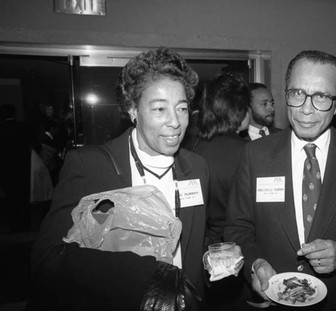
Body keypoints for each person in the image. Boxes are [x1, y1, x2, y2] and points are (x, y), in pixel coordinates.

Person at [30, 47, 210, 311]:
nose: (175, 122)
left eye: (182, 108)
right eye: (160, 109)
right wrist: (147, 276)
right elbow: (47, 259)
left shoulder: (197, 167)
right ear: (132, 110)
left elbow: (193, 242)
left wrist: (212, 259)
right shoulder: (91, 166)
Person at [224, 50, 336, 311]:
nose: (305, 108)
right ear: (286, 95)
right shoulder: (254, 155)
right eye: (297, 93)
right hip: (272, 301)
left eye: (321, 97)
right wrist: (255, 264)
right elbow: (237, 228)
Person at [191, 71, 251, 310]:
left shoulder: (192, 151)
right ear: (238, 110)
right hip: (237, 255)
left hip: (200, 256)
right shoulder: (248, 153)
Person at [0, 104, 40, 232]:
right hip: (24, 168)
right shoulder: (25, 128)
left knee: (9, 198)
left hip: (5, 170)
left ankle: (13, 224)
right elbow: (37, 146)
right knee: (23, 197)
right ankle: (24, 224)